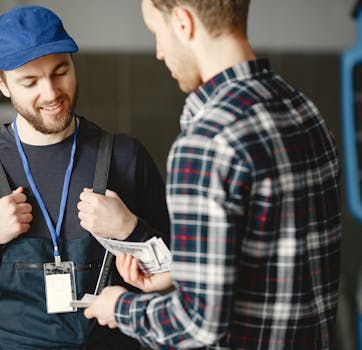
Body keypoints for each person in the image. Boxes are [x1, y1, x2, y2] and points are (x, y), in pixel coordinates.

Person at [83, 1, 342, 349]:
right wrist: (181, 275)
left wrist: (121, 307)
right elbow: (279, 259)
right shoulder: (302, 108)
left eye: (157, 33)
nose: (159, 52)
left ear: (183, 22)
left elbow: (199, 324)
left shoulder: (207, 142)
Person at [0, 5, 170, 349]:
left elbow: (186, 272)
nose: (51, 94)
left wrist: (132, 229)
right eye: (30, 82)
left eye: (60, 71)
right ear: (1, 82)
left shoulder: (125, 156)